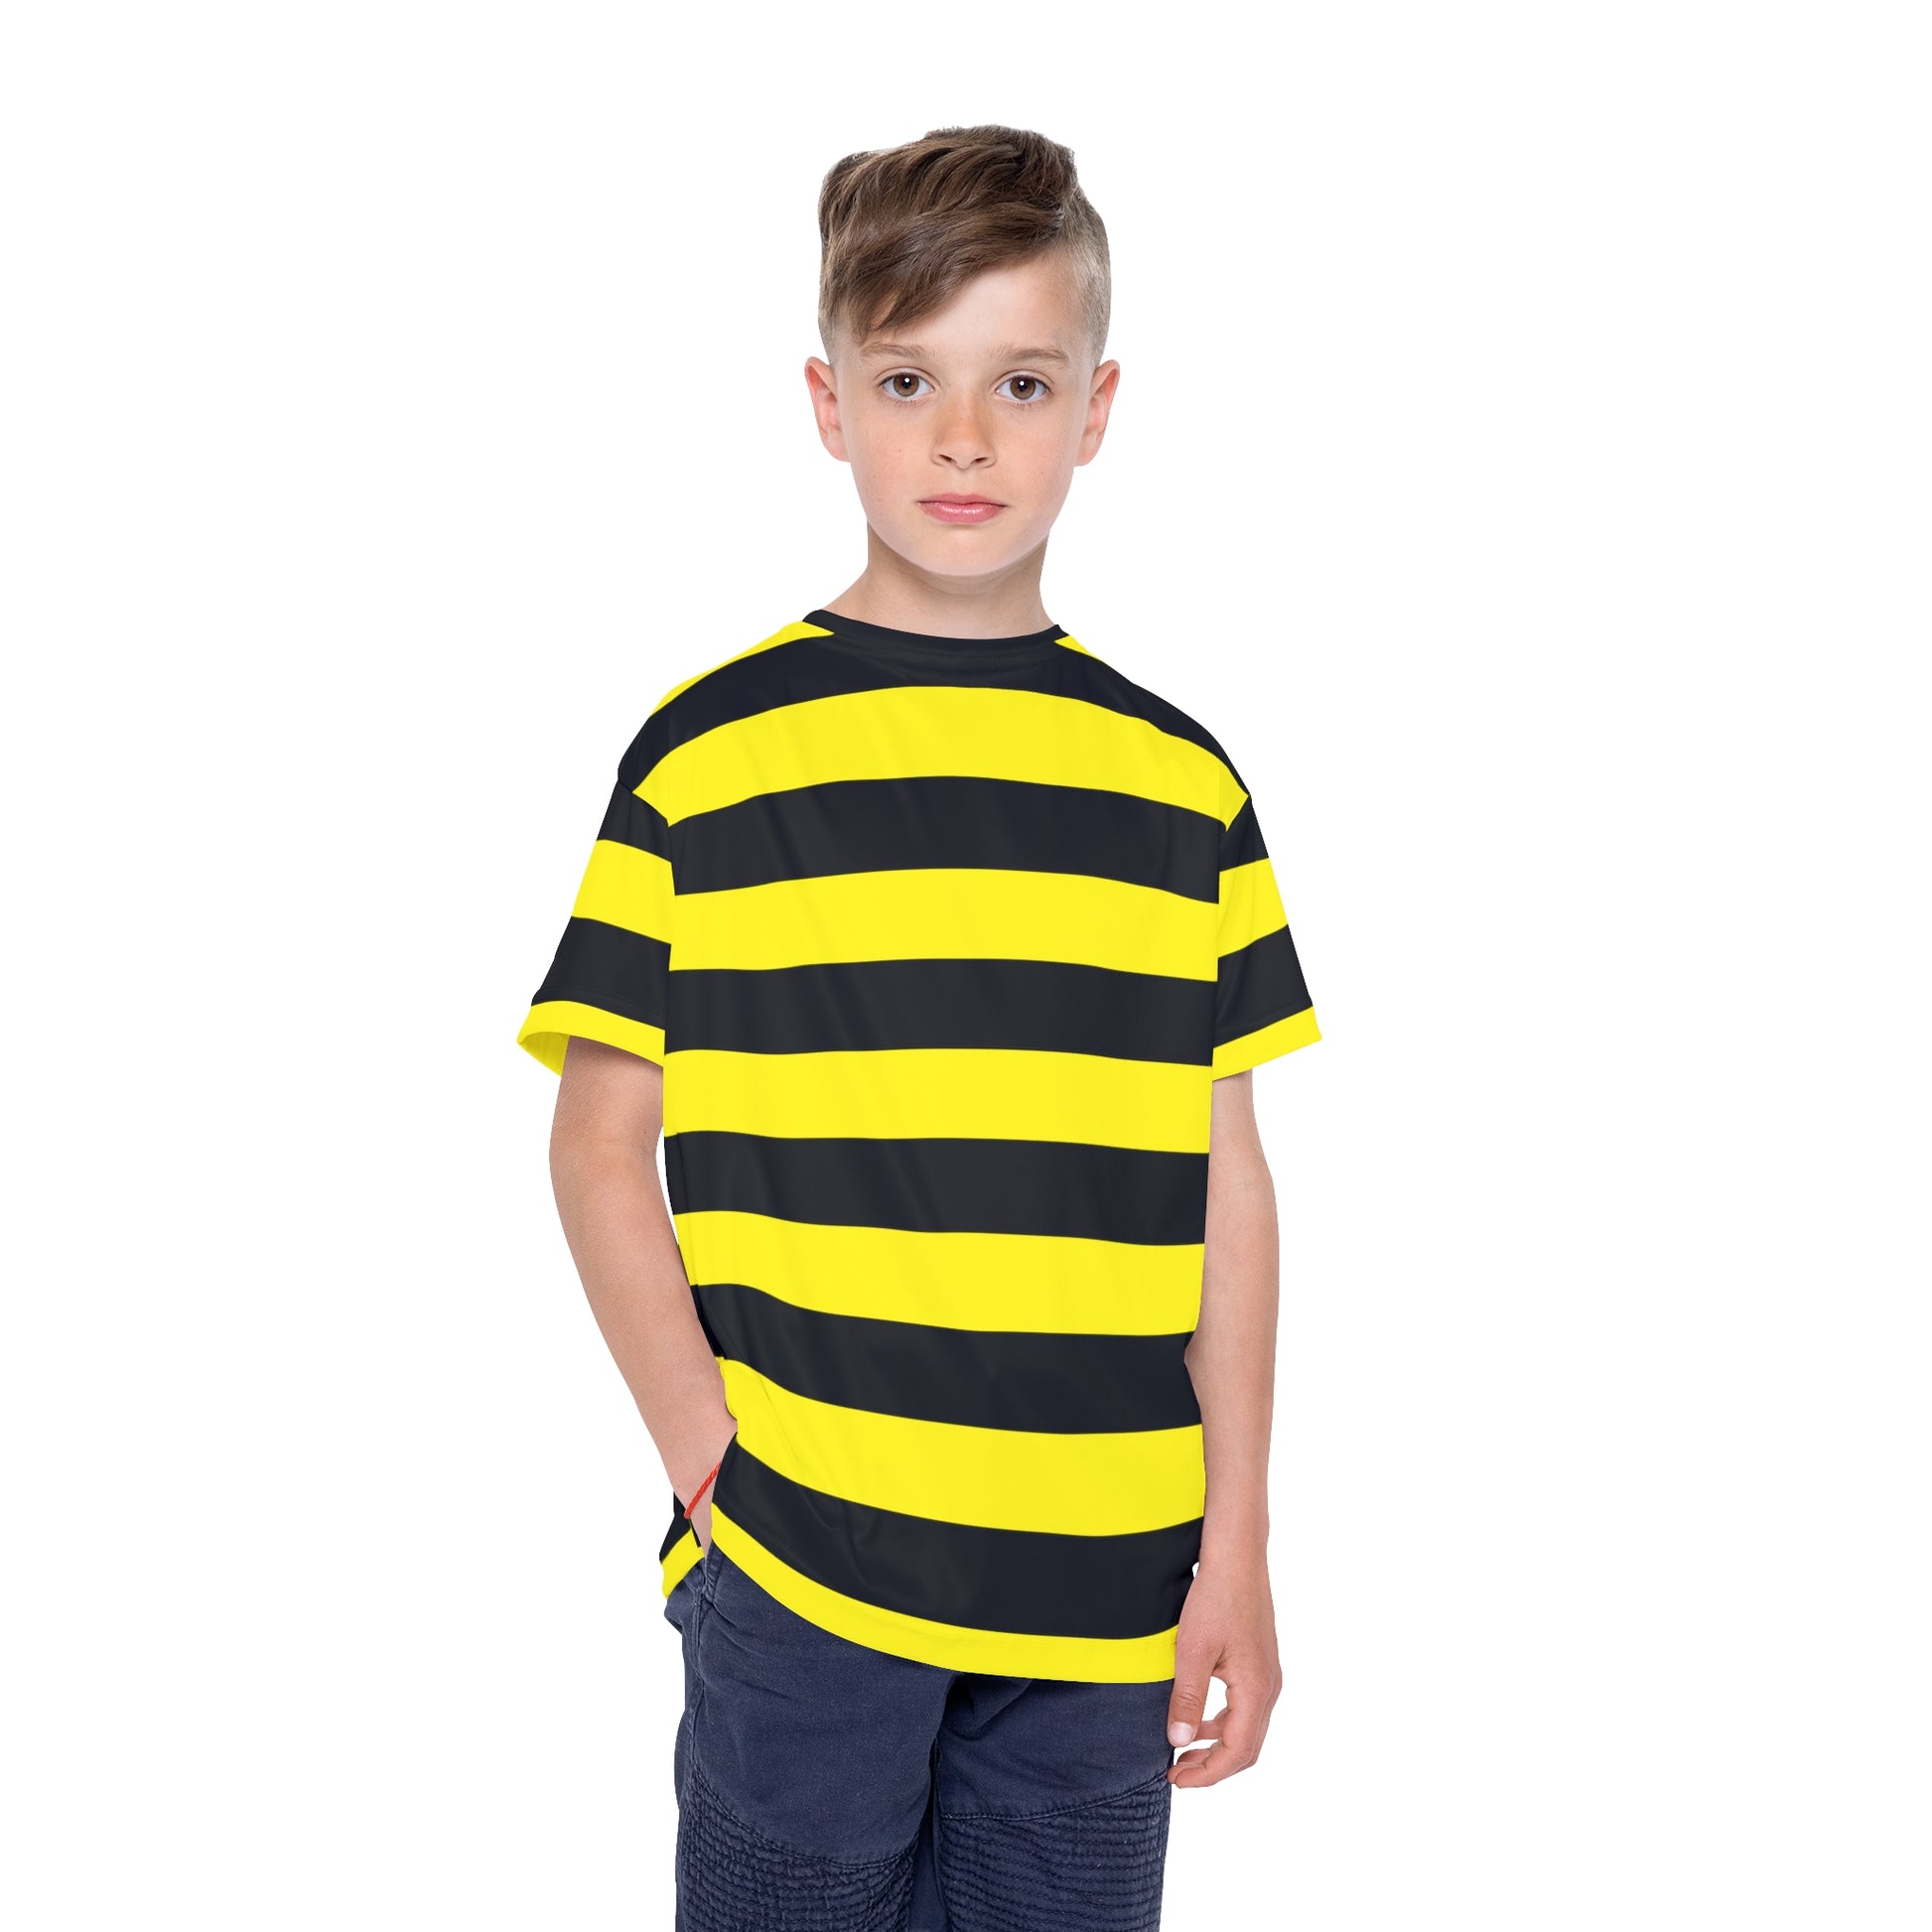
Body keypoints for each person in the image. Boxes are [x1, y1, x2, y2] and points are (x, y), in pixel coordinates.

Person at [517, 123, 1321, 1932]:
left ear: (1094, 408)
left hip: (1106, 1581)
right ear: (828, 402)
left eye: (1018, 382)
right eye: (906, 380)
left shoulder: (1179, 784)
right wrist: (706, 1455)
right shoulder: (709, 756)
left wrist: (1241, 1544)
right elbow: (596, 1136)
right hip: (803, 1560)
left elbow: (1225, 1186)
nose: (963, 437)